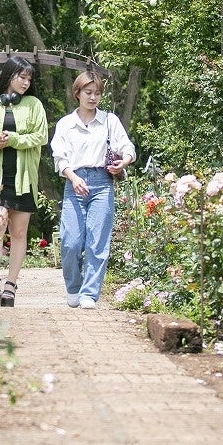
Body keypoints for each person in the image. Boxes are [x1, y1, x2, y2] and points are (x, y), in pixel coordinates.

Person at [50, 71, 135, 309]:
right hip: (74, 182)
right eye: (88, 93)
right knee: (71, 241)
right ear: (77, 93)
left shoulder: (109, 120)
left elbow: (126, 146)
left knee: (97, 242)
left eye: (97, 93)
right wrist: (73, 177)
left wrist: (124, 162)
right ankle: (74, 287)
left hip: (102, 183)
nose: (93, 97)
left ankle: (89, 294)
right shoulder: (66, 124)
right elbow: (59, 156)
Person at [0, 56, 48, 307]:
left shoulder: (34, 105)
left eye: (29, 78)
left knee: (18, 232)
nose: (26, 82)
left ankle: (11, 285)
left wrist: (13, 139)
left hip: (23, 178)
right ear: (9, 75)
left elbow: (40, 136)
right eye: (21, 77)